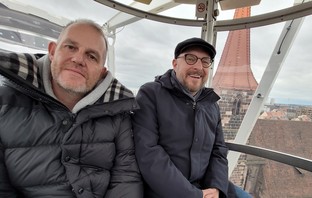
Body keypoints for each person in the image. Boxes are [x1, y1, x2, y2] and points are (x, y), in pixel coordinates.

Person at [0, 19, 143, 197]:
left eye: (92, 56)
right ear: (52, 51)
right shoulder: (5, 103)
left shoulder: (117, 113)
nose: (78, 59)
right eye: (70, 47)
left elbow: (126, 177)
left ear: (101, 72)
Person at [132, 37, 252, 198]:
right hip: (166, 192)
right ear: (175, 64)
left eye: (205, 61)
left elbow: (218, 151)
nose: (198, 67)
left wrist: (216, 187)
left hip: (207, 187)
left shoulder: (211, 104)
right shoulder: (151, 94)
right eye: (190, 59)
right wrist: (193, 195)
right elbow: (149, 154)